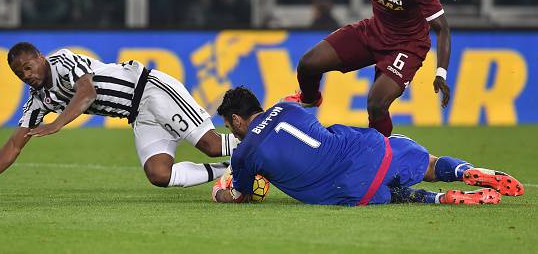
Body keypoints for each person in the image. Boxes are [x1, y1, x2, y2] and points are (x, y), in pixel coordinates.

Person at [0, 43, 240, 197]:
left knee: (212, 145)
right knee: (159, 175)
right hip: (139, 115)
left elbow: (87, 92)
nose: (27, 74)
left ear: (40, 58)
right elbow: (15, 143)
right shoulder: (39, 100)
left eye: (28, 67)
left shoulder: (62, 61)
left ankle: (263, 142)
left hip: (151, 90)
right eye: (20, 74)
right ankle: (231, 170)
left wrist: (57, 124)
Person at [212, 87, 524, 206]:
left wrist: (220, 192)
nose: (233, 134)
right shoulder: (288, 109)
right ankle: (464, 171)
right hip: (366, 150)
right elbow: (295, 98)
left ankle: (441, 199)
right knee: (428, 163)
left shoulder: (244, 154)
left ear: (238, 120)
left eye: (229, 127)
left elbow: (241, 195)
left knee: (394, 195)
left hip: (347, 190)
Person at [285, 0, 451, 137]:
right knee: (308, 64)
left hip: (406, 46)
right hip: (374, 31)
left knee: (376, 104)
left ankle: (384, 157)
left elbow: (442, 27)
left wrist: (441, 73)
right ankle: (309, 99)